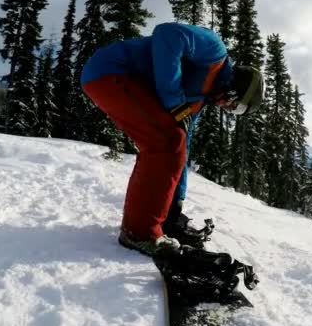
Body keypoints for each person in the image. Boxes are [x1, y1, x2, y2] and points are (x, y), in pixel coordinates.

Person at [81, 22, 264, 256]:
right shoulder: (214, 51)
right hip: (112, 70)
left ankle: (154, 221)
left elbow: (182, 147)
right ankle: (139, 232)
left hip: (114, 78)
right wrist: (174, 99)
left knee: (170, 143)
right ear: (238, 89)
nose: (228, 109)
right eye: (237, 107)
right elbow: (168, 33)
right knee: (164, 143)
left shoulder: (199, 99)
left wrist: (175, 205)